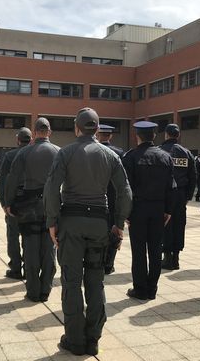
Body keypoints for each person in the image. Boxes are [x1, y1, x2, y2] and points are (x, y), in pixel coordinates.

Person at [44, 108, 132, 356]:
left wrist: (52, 221)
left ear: (77, 127)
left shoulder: (66, 153)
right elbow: (124, 191)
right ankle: (93, 338)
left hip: (71, 222)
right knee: (96, 281)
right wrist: (119, 222)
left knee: (71, 282)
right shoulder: (110, 155)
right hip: (98, 224)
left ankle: (74, 339)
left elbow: (51, 188)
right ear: (97, 128)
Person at [5, 118, 59, 302]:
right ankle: (45, 289)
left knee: (30, 248)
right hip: (51, 205)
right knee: (49, 248)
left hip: (28, 206)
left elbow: (12, 179)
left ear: (35, 132)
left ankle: (33, 290)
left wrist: (8, 202)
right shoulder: (59, 152)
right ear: (49, 132)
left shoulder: (24, 152)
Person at [123, 121, 175, 300]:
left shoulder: (131, 157)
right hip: (158, 208)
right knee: (155, 250)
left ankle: (140, 289)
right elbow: (171, 187)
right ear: (154, 136)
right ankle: (152, 288)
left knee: (138, 251)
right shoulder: (165, 157)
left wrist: (126, 213)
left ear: (137, 136)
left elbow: (125, 189)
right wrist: (168, 210)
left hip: (138, 209)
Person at [159, 123, 196, 270]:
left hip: (165, 194)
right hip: (181, 195)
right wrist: (188, 195)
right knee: (179, 225)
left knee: (165, 225)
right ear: (178, 135)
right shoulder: (186, 153)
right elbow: (193, 176)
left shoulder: (160, 151)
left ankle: (167, 257)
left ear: (166, 135)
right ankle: (176, 258)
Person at [0, 127, 33, 280]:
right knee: (29, 235)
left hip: (14, 200)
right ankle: (28, 266)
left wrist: (4, 202)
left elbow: (3, 181)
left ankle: (15, 268)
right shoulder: (36, 153)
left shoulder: (10, 155)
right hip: (32, 200)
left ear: (18, 140)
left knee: (13, 236)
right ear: (31, 139)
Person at [96, 123, 125, 275]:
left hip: (97, 197)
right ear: (111, 136)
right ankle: (109, 264)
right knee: (114, 232)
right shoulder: (119, 153)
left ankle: (98, 261)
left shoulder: (93, 151)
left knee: (98, 231)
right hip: (114, 199)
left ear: (97, 135)